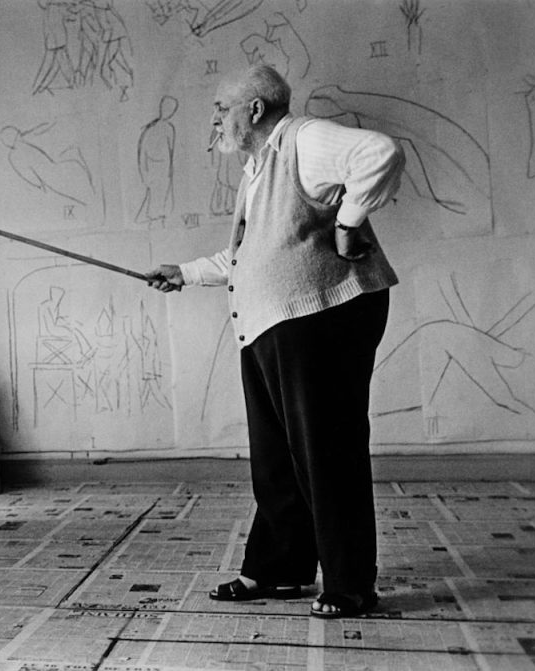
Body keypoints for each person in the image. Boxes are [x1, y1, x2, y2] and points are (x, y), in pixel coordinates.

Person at [146, 64, 405, 619]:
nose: (215, 119)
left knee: (326, 453)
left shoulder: (304, 140)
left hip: (321, 318)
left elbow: (380, 152)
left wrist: (348, 222)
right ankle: (281, 570)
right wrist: (186, 273)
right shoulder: (257, 169)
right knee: (276, 459)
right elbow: (253, 254)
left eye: (222, 108)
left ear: (256, 110)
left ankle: (350, 584)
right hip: (272, 325)